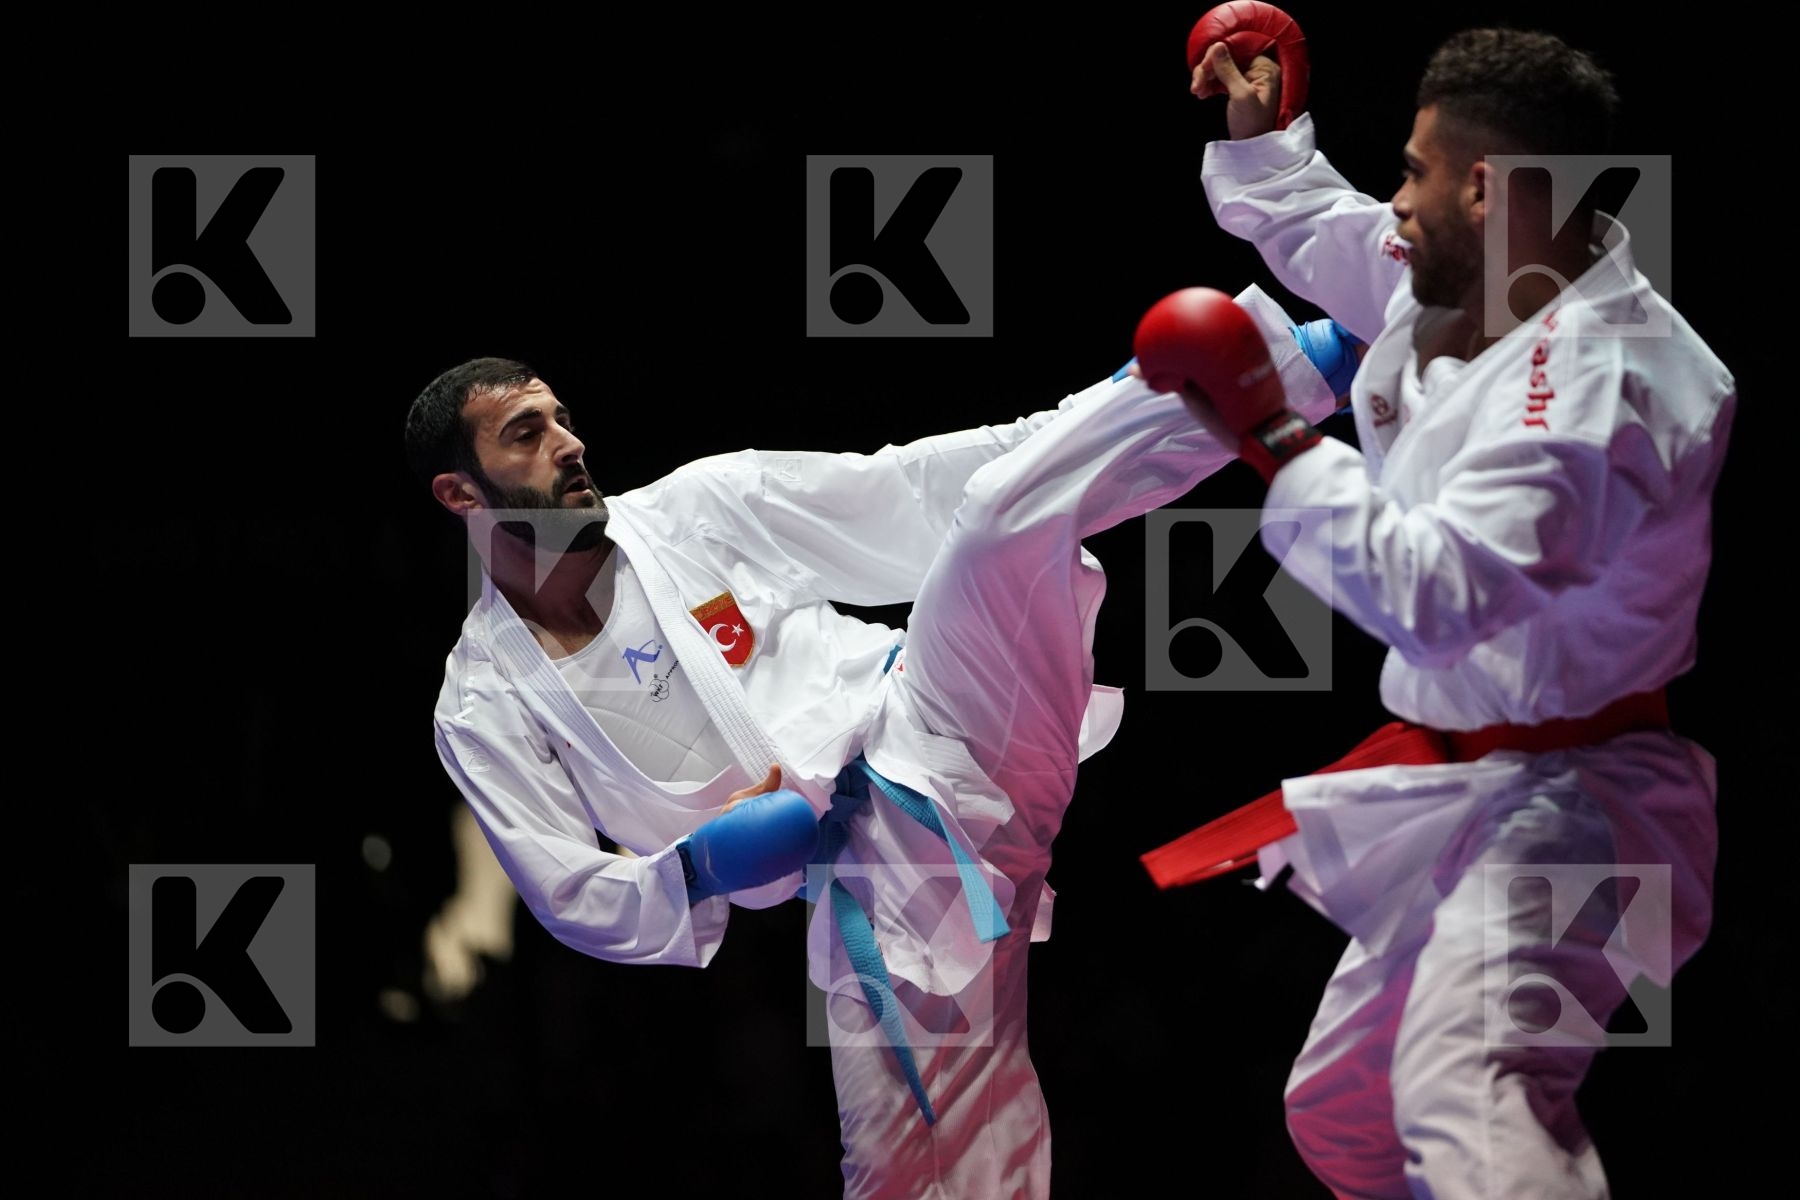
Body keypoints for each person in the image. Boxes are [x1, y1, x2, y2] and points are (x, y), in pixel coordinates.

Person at [404, 289, 1348, 1198]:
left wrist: (1100, 410)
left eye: (560, 418)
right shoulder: (482, 702)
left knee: (998, 513)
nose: (569, 444)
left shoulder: (697, 509)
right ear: (459, 491)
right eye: (526, 434)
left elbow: (914, 490)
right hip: (881, 879)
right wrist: (692, 871)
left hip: (938, 711)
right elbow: (561, 886)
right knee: (909, 1165)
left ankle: (1277, 373)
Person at [1162, 25, 1736, 1199]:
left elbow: (1437, 599)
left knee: (1463, 1084)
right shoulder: (1498, 273)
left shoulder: (1602, 384)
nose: (1398, 200)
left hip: (1592, 811)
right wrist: (1262, 134)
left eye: (1415, 171)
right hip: (1477, 785)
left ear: (1487, 187)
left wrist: (1273, 435)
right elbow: (1334, 235)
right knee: (1340, 1108)